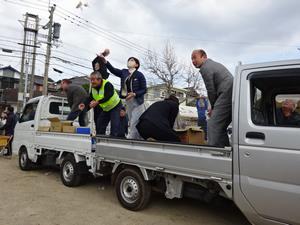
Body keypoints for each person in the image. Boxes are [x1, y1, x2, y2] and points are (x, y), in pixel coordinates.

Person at [98, 50, 147, 139]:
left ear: (136, 65)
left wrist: (134, 94)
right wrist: (105, 61)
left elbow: (144, 89)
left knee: (134, 120)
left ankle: (131, 137)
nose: (130, 61)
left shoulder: (139, 75)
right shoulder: (124, 72)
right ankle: (139, 137)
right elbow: (113, 70)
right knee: (132, 119)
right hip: (128, 101)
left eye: (132, 60)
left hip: (138, 101)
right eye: (129, 60)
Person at [191, 49, 233, 147]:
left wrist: (213, 107)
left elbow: (210, 90)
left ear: (204, 57)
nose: (193, 61)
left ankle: (214, 151)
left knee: (212, 124)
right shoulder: (211, 65)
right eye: (191, 59)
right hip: (230, 92)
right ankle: (225, 150)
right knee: (220, 126)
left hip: (226, 92)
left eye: (194, 58)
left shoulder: (206, 67)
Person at [79, 71, 122, 137]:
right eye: (91, 80)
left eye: (93, 80)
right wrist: (84, 104)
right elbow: (90, 98)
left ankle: (113, 140)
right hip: (106, 108)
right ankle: (100, 139)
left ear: (99, 79)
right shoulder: (93, 88)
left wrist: (97, 102)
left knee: (114, 125)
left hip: (115, 106)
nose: (92, 82)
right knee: (100, 124)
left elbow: (108, 96)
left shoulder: (107, 84)